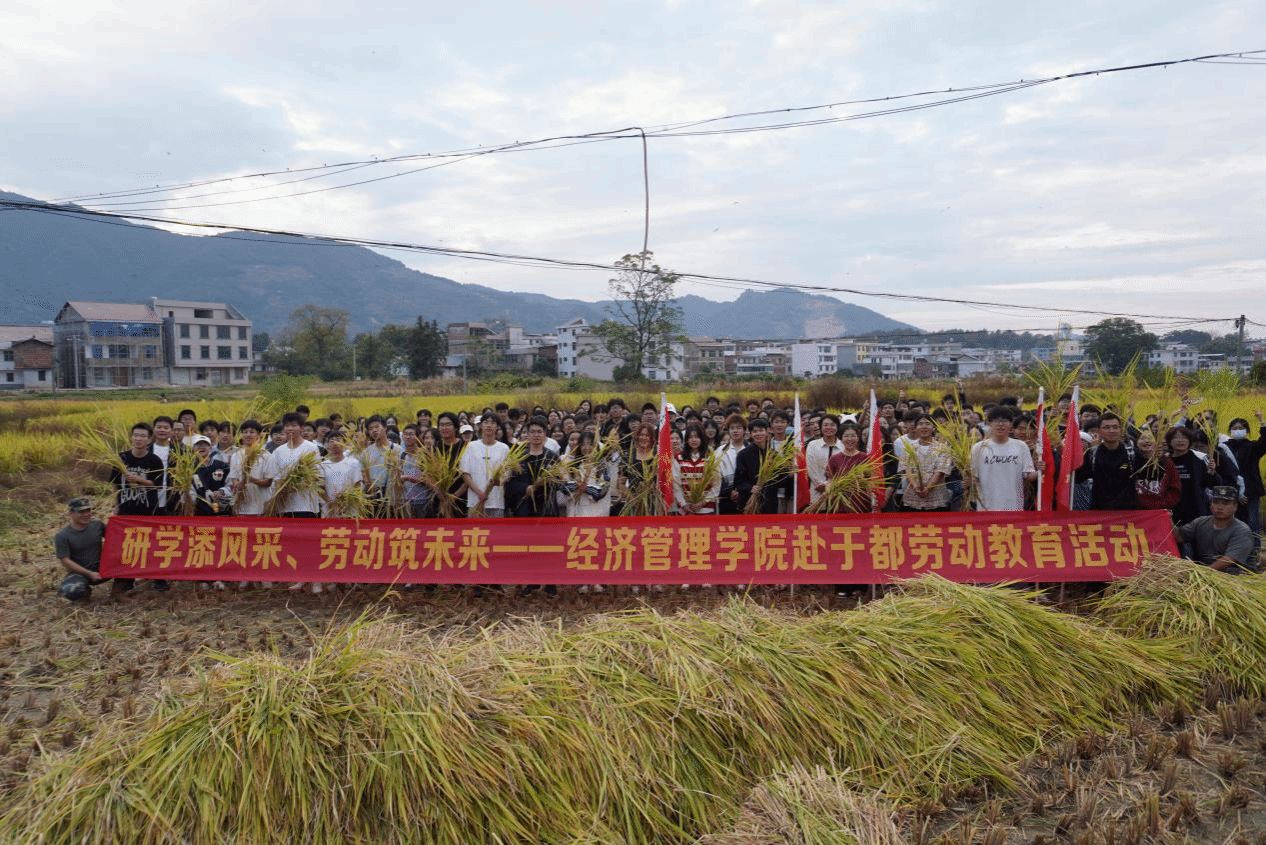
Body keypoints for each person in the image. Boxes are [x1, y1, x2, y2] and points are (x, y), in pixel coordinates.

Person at [969, 406, 1038, 512]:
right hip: (986, 506)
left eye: (1005, 421)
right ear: (989, 423)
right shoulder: (978, 448)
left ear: (1011, 424)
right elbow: (973, 477)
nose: (1000, 424)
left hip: (1014, 505)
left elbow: (1028, 475)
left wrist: (1041, 470)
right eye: (996, 420)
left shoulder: (1021, 446)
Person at [1176, 486, 1258, 574]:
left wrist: (1202, 573)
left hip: (1235, 575)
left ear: (1235, 506)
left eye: (1226, 503)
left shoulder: (1242, 530)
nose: (1220, 507)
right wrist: (1167, 516)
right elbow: (1179, 537)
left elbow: (1229, 559)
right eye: (1216, 502)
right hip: (1207, 571)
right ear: (1210, 505)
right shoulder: (1200, 522)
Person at [1076, 413, 1147, 511]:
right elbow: (1078, 477)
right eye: (1106, 427)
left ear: (1120, 429)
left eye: (1115, 427)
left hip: (1128, 511)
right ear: (1099, 431)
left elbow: (1148, 474)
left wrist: (1153, 457)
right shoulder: (1092, 453)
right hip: (1100, 510)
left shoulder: (1132, 453)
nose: (1111, 431)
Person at [270, 412, 323, 518]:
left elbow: (314, 475)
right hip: (284, 507)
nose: (290, 429)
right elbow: (277, 479)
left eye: (294, 425)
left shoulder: (310, 448)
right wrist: (278, 497)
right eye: (287, 426)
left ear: (301, 428)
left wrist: (292, 487)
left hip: (305, 506)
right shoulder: (278, 451)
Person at [55, 498, 108, 601]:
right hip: (80, 573)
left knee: (127, 564)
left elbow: (115, 536)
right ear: (70, 514)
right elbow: (65, 561)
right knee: (72, 591)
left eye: (88, 510)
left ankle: (118, 590)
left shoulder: (97, 525)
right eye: (81, 512)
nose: (86, 514)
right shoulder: (62, 535)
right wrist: (89, 573)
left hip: (103, 569)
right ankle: (83, 591)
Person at [898, 414, 952, 512]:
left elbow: (940, 471)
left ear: (933, 427)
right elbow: (906, 469)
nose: (924, 427)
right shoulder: (909, 447)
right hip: (912, 498)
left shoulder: (942, 448)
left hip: (937, 498)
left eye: (927, 424)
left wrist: (928, 488)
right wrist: (915, 487)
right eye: (920, 424)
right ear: (916, 428)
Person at [460, 414, 511, 517]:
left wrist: (500, 480)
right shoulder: (471, 446)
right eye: (486, 422)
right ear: (480, 426)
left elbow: (507, 473)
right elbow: (465, 474)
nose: (489, 425)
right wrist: (479, 493)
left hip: (496, 502)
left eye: (493, 423)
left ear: (497, 427)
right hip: (475, 502)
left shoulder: (504, 448)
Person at [112, 422, 162, 516]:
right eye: (136, 435)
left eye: (142, 436)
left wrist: (139, 480)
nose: (138, 438)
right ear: (131, 437)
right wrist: (116, 506)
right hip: (124, 509)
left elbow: (157, 485)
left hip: (147, 510)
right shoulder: (121, 458)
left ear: (149, 440)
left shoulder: (155, 460)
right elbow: (115, 484)